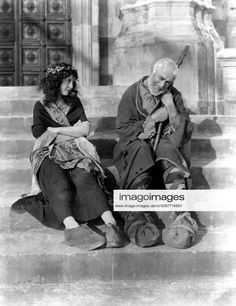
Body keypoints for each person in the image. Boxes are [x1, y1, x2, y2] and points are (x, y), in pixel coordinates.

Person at [11, 62, 124, 250]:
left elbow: (86, 129)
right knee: (57, 180)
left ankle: (111, 223)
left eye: (73, 81)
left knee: (85, 175)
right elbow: (40, 135)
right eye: (67, 81)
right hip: (47, 151)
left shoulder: (74, 103)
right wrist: (72, 131)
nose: (71, 86)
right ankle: (72, 227)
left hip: (75, 149)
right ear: (55, 82)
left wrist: (55, 131)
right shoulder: (40, 106)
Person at [111, 58, 199, 248]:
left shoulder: (173, 95)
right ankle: (138, 217)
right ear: (152, 70)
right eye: (160, 78)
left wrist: (171, 108)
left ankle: (180, 214)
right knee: (141, 150)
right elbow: (122, 128)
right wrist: (151, 121)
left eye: (168, 82)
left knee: (168, 148)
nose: (162, 85)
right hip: (133, 145)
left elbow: (182, 133)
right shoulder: (131, 93)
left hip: (161, 147)